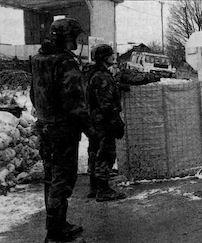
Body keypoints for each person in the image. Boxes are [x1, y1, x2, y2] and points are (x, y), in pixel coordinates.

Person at [31, 18, 91, 243]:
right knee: (62, 180)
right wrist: (90, 129)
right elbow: (74, 101)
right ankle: (55, 233)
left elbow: (33, 94)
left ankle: (57, 225)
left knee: (51, 178)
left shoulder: (38, 59)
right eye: (74, 37)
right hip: (63, 131)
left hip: (45, 127)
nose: (76, 41)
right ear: (67, 38)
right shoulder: (66, 62)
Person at [86, 44, 127, 202]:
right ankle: (103, 190)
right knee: (106, 153)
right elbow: (106, 103)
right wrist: (117, 122)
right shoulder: (102, 76)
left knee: (94, 151)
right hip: (104, 121)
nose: (114, 56)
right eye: (111, 54)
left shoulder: (93, 74)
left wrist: (117, 87)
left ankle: (94, 187)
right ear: (104, 57)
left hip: (94, 121)